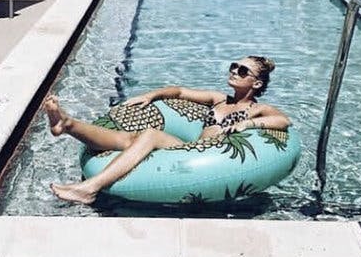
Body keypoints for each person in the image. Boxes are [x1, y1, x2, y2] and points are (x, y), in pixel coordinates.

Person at [46, 56, 291, 204]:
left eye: (243, 70)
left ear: (256, 83)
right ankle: (67, 124)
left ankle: (90, 188)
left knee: (150, 135)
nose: (234, 71)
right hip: (191, 149)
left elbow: (282, 121)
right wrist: (150, 95)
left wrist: (247, 124)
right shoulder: (219, 99)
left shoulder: (257, 109)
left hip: (209, 158)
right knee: (131, 138)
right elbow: (180, 92)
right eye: (234, 66)